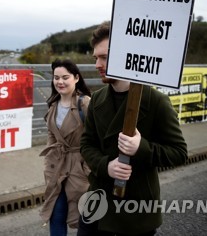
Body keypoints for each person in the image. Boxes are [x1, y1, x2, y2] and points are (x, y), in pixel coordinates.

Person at [77, 21, 188, 236]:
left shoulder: (156, 101)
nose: (97, 64)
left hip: (135, 212)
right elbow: (86, 144)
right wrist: (106, 166)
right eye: (96, 58)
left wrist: (141, 148)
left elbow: (179, 153)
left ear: (127, 56)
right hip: (96, 202)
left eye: (104, 57)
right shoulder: (97, 99)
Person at [40, 59, 92, 235]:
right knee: (56, 214)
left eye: (65, 77)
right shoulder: (53, 104)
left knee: (82, 218)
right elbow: (51, 137)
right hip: (57, 167)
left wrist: (87, 167)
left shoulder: (84, 103)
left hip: (79, 168)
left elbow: (96, 137)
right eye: (56, 78)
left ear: (76, 78)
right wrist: (48, 163)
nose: (59, 82)